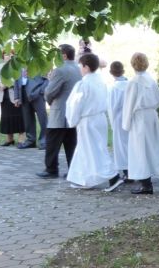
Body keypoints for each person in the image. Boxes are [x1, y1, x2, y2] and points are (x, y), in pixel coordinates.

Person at [65, 53, 122, 190]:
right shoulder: (100, 82)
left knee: (94, 149)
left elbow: (76, 104)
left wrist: (72, 119)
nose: (80, 69)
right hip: (99, 118)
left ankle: (113, 176)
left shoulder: (83, 84)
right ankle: (85, 179)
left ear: (86, 67)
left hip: (88, 120)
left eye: (81, 66)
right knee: (86, 149)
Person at [122, 52, 159, 194]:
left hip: (139, 117)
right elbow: (158, 99)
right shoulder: (150, 80)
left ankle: (146, 184)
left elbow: (129, 104)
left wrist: (126, 123)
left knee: (140, 150)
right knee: (153, 147)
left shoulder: (134, 82)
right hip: (151, 116)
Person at [37, 44, 81, 178]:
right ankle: (73, 170)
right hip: (74, 112)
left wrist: (49, 100)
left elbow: (49, 92)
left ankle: (51, 169)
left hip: (59, 112)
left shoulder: (60, 70)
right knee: (71, 143)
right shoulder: (79, 68)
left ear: (64, 55)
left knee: (52, 143)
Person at [13, 69, 48, 149]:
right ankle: (30, 141)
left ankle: (44, 140)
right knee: (28, 119)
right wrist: (16, 97)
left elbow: (47, 80)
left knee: (42, 119)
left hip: (37, 94)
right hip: (23, 94)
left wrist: (40, 91)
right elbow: (16, 80)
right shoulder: (18, 63)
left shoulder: (39, 62)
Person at [107, 61, 130, 181]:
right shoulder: (130, 84)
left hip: (119, 119)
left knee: (122, 145)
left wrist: (112, 123)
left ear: (111, 73)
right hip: (130, 117)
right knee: (131, 144)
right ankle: (133, 169)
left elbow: (112, 108)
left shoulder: (113, 88)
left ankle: (127, 171)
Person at [0, 53, 25, 146]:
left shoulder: (17, 66)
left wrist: (6, 84)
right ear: (3, 56)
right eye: (6, 54)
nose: (7, 56)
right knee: (6, 117)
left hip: (15, 95)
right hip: (3, 95)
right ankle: (9, 139)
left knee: (18, 117)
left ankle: (21, 140)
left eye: (10, 54)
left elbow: (18, 79)